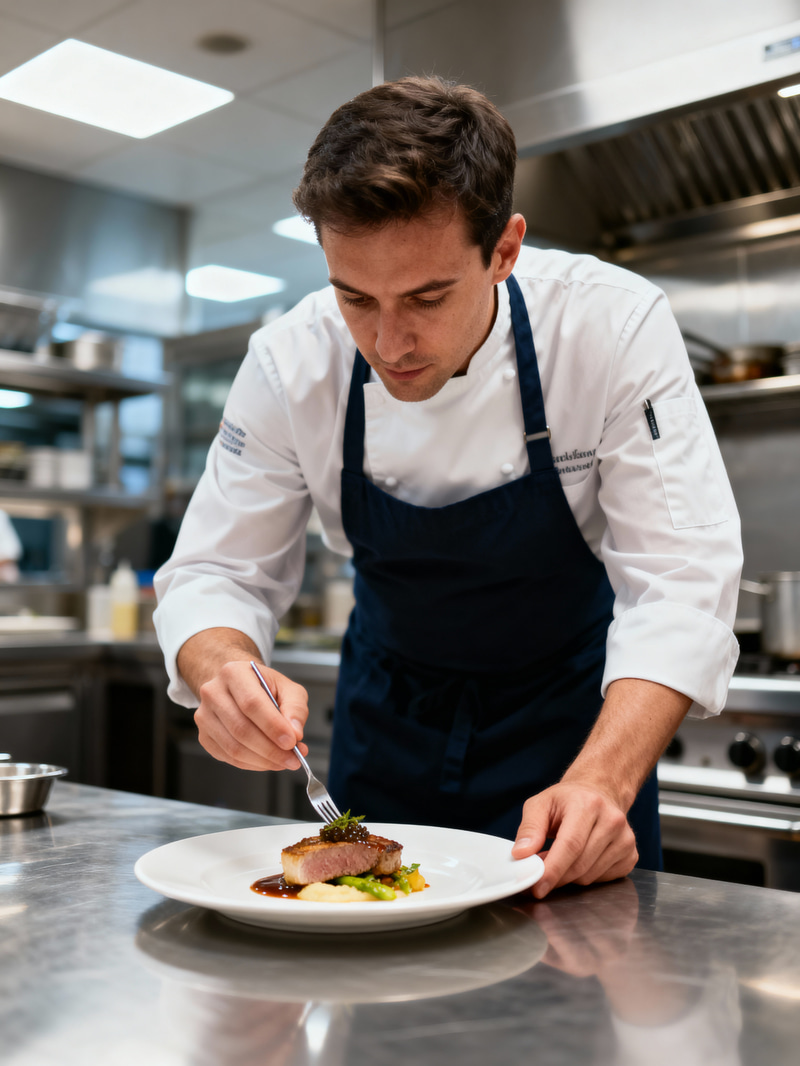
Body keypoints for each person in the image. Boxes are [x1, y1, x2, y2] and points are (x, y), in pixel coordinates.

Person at [154, 76, 742, 899]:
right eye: (354, 296)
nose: (390, 342)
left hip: (573, 739)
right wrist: (220, 665)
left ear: (504, 250)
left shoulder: (609, 325)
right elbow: (216, 572)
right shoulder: (291, 362)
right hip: (386, 728)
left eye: (427, 297)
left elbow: (681, 581)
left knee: (580, 1001)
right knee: (372, 993)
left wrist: (605, 781)